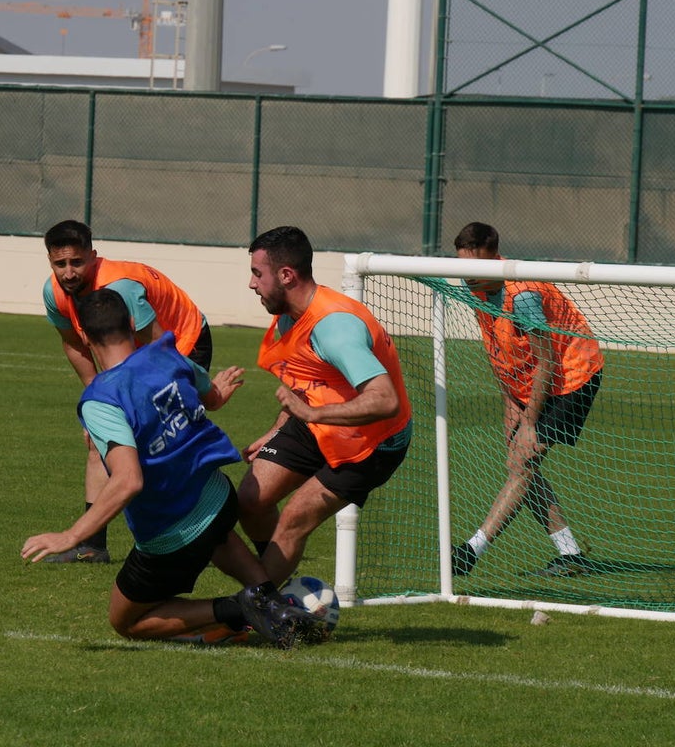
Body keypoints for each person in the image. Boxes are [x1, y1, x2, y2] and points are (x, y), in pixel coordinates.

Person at [22, 288, 323, 649]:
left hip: (172, 532)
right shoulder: (166, 352)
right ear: (132, 324)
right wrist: (216, 397)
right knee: (220, 539)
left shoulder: (101, 400)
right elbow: (209, 395)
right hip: (218, 495)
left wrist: (72, 536)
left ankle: (239, 609)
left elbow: (128, 480)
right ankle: (270, 602)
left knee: (126, 620)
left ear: (84, 338)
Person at [238, 226, 414, 585]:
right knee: (251, 500)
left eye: (257, 274)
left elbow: (385, 400)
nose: (252, 284)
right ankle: (278, 583)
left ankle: (252, 615)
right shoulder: (289, 312)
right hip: (318, 422)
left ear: (286, 275)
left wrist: (312, 414)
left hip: (373, 443)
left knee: (293, 519)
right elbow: (305, 379)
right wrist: (276, 430)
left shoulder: (334, 327)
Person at [41, 219, 212, 564]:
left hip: (180, 345)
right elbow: (74, 344)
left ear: (93, 256)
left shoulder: (121, 288)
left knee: (168, 439)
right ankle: (91, 546)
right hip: (133, 355)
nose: (69, 272)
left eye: (77, 262)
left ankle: (207, 531)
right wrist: (97, 401)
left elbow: (156, 347)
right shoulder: (54, 292)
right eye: (60, 264)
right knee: (100, 441)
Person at [450, 222, 604, 577]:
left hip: (572, 376)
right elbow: (496, 346)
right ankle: (571, 555)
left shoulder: (524, 295)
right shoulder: (472, 284)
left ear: (495, 256)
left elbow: (548, 360)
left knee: (522, 463)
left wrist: (530, 421)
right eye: (465, 270)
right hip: (530, 380)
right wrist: (510, 403)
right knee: (523, 466)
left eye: (477, 270)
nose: (470, 278)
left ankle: (471, 552)